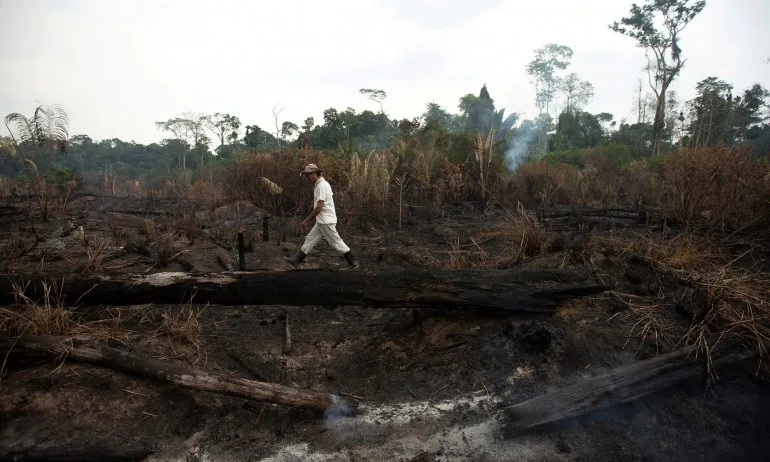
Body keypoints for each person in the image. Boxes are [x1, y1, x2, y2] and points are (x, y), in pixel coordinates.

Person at [284, 163, 359, 270]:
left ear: (314, 173)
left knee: (336, 242)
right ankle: (296, 260)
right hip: (322, 221)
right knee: (310, 239)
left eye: (308, 174)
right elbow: (320, 203)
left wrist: (306, 220)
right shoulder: (320, 185)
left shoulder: (321, 186)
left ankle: (353, 262)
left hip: (326, 221)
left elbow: (319, 207)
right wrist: (312, 207)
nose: (307, 177)